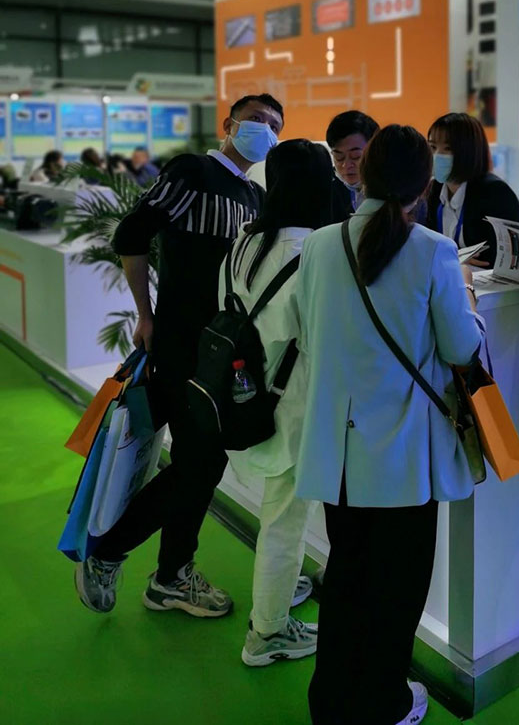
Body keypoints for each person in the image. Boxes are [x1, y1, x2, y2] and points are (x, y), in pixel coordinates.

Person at [294, 124, 483, 725]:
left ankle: (331, 702)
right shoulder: (434, 250)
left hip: (339, 455)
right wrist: (471, 305)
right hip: (404, 458)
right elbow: (460, 347)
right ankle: (386, 702)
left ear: (365, 173)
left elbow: (307, 332)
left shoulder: (320, 244)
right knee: (397, 592)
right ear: (424, 184)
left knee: (346, 581)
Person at [74, 93, 284, 619]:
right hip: (179, 345)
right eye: (257, 120)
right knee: (202, 463)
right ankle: (112, 553)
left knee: (200, 463)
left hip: (221, 353)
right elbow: (132, 234)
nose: (265, 130)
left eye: (275, 125)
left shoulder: (255, 196)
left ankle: (170, 576)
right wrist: (145, 315)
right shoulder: (193, 172)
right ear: (229, 124)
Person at [223, 139, 332, 668]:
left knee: (280, 516)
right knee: (285, 523)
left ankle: (277, 602)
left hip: (250, 397)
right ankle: (267, 633)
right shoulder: (313, 252)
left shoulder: (245, 240)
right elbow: (321, 336)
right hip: (295, 406)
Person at [425, 111, 519, 266]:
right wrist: (452, 257)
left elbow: (508, 255)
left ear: (468, 151)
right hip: (446, 274)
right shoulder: (434, 189)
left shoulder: (495, 192)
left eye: (448, 148)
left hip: (484, 278)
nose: (437, 155)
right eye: (432, 147)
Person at [325, 109, 379, 222]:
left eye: (356, 156)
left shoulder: (394, 190)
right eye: (339, 157)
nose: (346, 165)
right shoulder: (327, 189)